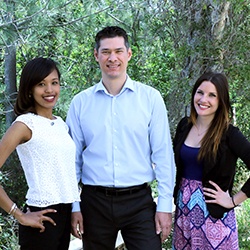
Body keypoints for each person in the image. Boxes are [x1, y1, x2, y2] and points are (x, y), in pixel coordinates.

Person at [66, 26, 175, 250]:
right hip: (94, 202)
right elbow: (72, 161)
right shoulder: (80, 103)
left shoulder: (151, 98)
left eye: (118, 51)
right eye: (105, 51)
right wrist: (74, 206)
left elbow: (163, 155)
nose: (112, 58)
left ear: (129, 54)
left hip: (139, 202)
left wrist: (164, 206)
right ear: (96, 55)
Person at [0, 57, 80, 250]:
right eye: (41, 84)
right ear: (29, 89)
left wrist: (75, 208)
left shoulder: (61, 125)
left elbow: (67, 173)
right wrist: (18, 214)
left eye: (54, 83)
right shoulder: (24, 124)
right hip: (40, 220)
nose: (49, 90)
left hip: (64, 217)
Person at [172, 72, 250, 249]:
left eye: (212, 95)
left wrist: (232, 201)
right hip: (183, 212)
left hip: (214, 216)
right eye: (200, 92)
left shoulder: (229, 134)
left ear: (221, 100)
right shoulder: (185, 125)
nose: (203, 99)